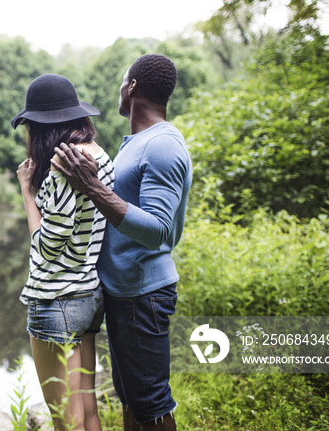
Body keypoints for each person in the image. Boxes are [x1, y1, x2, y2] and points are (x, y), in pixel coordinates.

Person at [51, 54, 192, 431]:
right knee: (130, 397)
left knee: (151, 404)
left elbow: (160, 228)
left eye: (121, 80)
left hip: (143, 295)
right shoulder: (138, 143)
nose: (118, 87)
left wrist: (93, 186)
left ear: (132, 87)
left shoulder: (162, 145)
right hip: (124, 292)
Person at [11, 74, 115, 431]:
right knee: (87, 411)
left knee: (64, 422)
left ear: (40, 128)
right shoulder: (101, 155)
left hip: (55, 301)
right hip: (89, 295)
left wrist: (26, 191)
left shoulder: (60, 170)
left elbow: (47, 247)